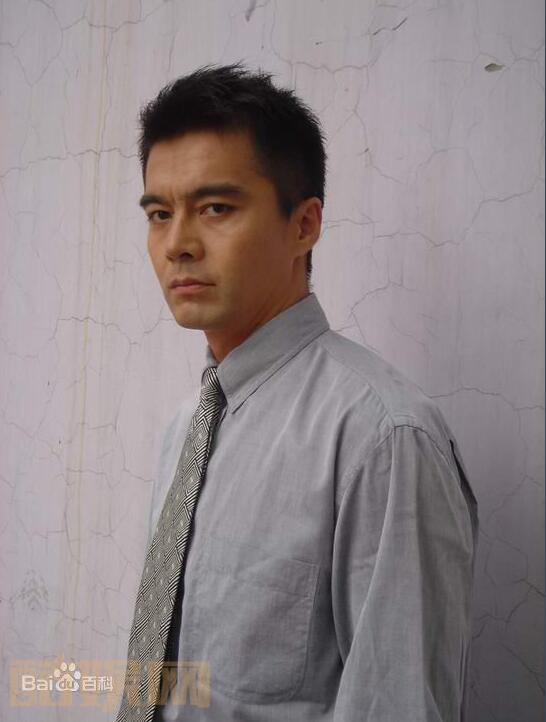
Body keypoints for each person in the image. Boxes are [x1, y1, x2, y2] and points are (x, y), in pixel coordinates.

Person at [117, 62, 479, 722]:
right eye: (159, 214)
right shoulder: (186, 429)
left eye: (216, 208)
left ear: (305, 225)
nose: (177, 245)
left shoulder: (381, 437)